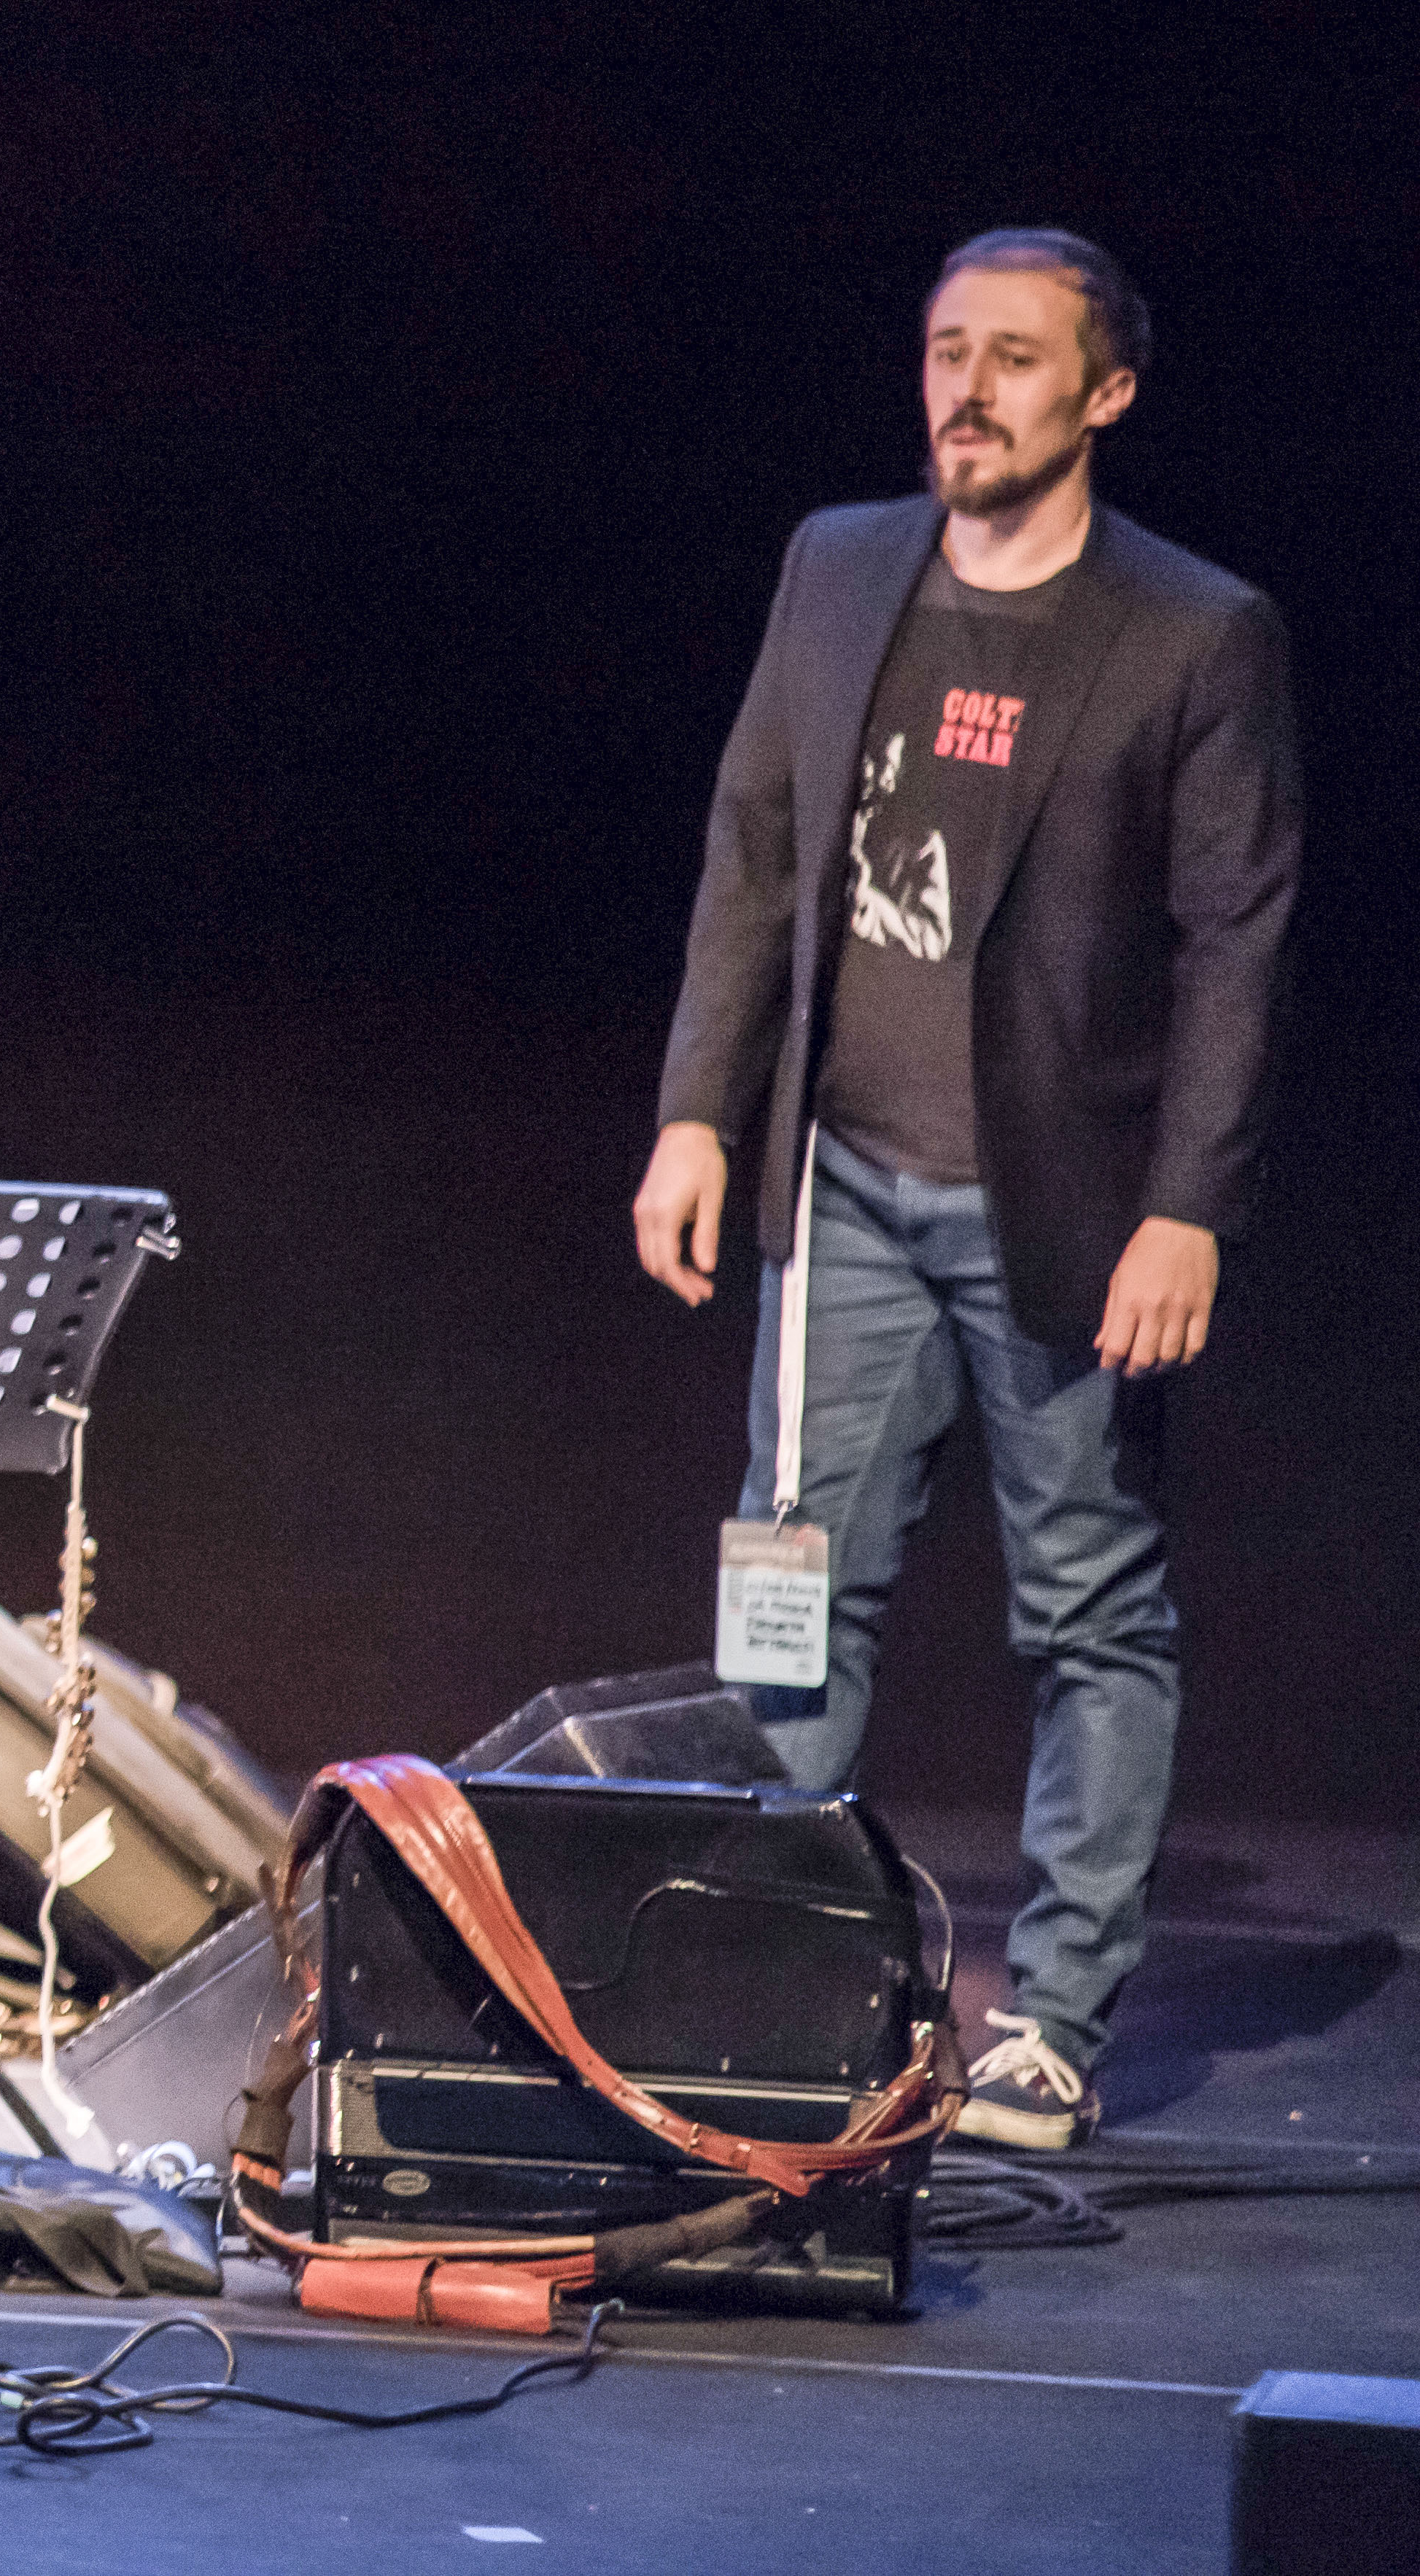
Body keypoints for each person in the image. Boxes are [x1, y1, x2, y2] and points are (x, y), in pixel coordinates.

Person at [635, 230, 1298, 2152]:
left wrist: (1193, 1202)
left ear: (1107, 391)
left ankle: (1059, 2011)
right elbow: (756, 849)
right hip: (838, 1175)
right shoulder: (839, 567)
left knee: (1088, 1605)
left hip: (1066, 1203)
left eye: (1016, 357)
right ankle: (774, 1975)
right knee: (788, 1587)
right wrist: (699, 1109)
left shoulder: (1192, 629)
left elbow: (1238, 938)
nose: (968, 388)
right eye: (944, 350)